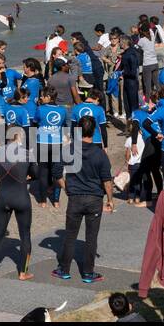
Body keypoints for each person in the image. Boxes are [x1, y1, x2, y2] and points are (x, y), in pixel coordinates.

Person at [54, 116, 114, 283]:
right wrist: (110, 199)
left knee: (70, 234)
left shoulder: (69, 150)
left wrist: (67, 188)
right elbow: (106, 180)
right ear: (94, 131)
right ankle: (88, 273)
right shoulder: (100, 154)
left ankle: (64, 269)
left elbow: (57, 173)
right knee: (91, 237)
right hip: (95, 198)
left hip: (75, 198)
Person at [0, 127, 36, 282]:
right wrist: (27, 176)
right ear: (20, 138)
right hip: (21, 197)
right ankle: (23, 272)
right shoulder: (27, 154)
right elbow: (37, 174)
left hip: (3, 197)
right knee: (25, 236)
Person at [33, 89, 67, 208]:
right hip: (57, 143)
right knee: (57, 173)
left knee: (43, 171)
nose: (41, 98)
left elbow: (35, 122)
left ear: (48, 96)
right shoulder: (62, 110)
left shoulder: (40, 109)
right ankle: (56, 201)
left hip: (42, 142)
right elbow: (64, 126)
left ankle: (43, 201)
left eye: (42, 96)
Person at [137, 24, 159, 97]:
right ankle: (163, 98)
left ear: (142, 31)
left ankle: (147, 102)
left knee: (148, 86)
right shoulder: (152, 37)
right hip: (155, 63)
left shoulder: (142, 40)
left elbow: (136, 48)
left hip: (147, 65)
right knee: (157, 84)